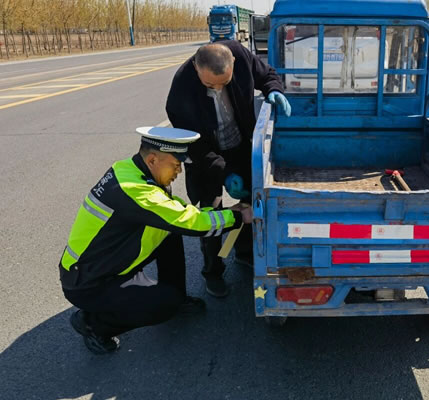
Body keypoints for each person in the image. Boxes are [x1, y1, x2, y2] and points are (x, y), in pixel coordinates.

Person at [59, 126, 252, 355]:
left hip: (108, 262)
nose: (179, 171)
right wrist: (237, 217)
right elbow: (192, 222)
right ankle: (92, 325)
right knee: (163, 305)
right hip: (88, 282)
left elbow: (178, 212)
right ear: (152, 159)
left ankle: (177, 297)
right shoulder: (134, 190)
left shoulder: (130, 169)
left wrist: (228, 212)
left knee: (169, 231)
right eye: (176, 164)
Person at [166, 41, 291, 298]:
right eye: (210, 85)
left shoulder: (241, 56)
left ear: (233, 62)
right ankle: (213, 271)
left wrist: (274, 90)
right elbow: (195, 146)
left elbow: (267, 75)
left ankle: (244, 252)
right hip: (204, 155)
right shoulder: (181, 89)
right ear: (196, 68)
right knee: (210, 214)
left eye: (224, 82)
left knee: (249, 203)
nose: (218, 89)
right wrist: (224, 173)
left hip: (239, 144)